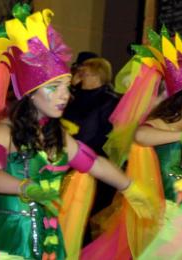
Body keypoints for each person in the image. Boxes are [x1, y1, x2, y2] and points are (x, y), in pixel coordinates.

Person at [0, 7, 152, 260]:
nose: (65, 95)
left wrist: (131, 188)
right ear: (30, 93)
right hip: (8, 242)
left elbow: (94, 163)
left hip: (49, 243)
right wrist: (25, 187)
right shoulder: (5, 130)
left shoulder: (57, 135)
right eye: (54, 88)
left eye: (67, 87)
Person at [81, 26, 182, 260]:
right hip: (162, 214)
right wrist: (181, 136)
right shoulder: (161, 123)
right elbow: (141, 136)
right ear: (181, 99)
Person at [62, 57, 120, 246]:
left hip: (93, 163)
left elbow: (98, 133)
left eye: (84, 73)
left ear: (96, 75)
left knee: (85, 216)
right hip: (67, 160)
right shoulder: (72, 96)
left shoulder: (109, 100)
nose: (79, 76)